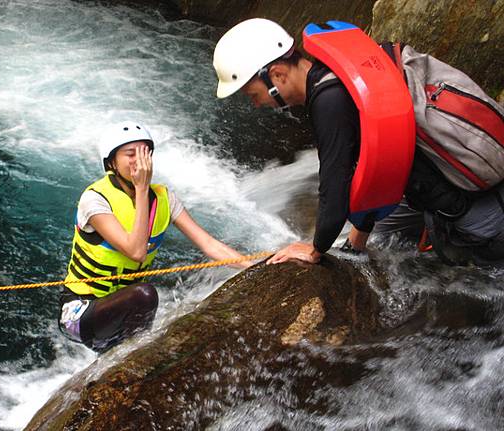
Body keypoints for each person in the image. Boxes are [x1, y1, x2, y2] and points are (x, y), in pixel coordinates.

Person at [212, 18, 504, 266]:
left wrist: (315, 250)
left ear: (277, 75)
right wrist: (356, 244)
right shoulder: (339, 75)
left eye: (254, 95)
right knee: (378, 242)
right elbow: (372, 165)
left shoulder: (329, 102)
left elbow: (335, 186)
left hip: (475, 210)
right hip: (447, 182)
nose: (257, 104)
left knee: (477, 270)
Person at [59, 121, 251, 352]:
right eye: (130, 154)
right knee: (145, 294)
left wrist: (256, 266)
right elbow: (136, 251)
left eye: (144, 153)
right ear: (111, 162)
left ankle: (121, 353)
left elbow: (209, 244)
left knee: (142, 298)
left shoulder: (164, 198)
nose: (139, 161)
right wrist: (141, 189)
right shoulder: (95, 199)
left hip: (124, 308)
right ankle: (117, 352)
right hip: (79, 311)